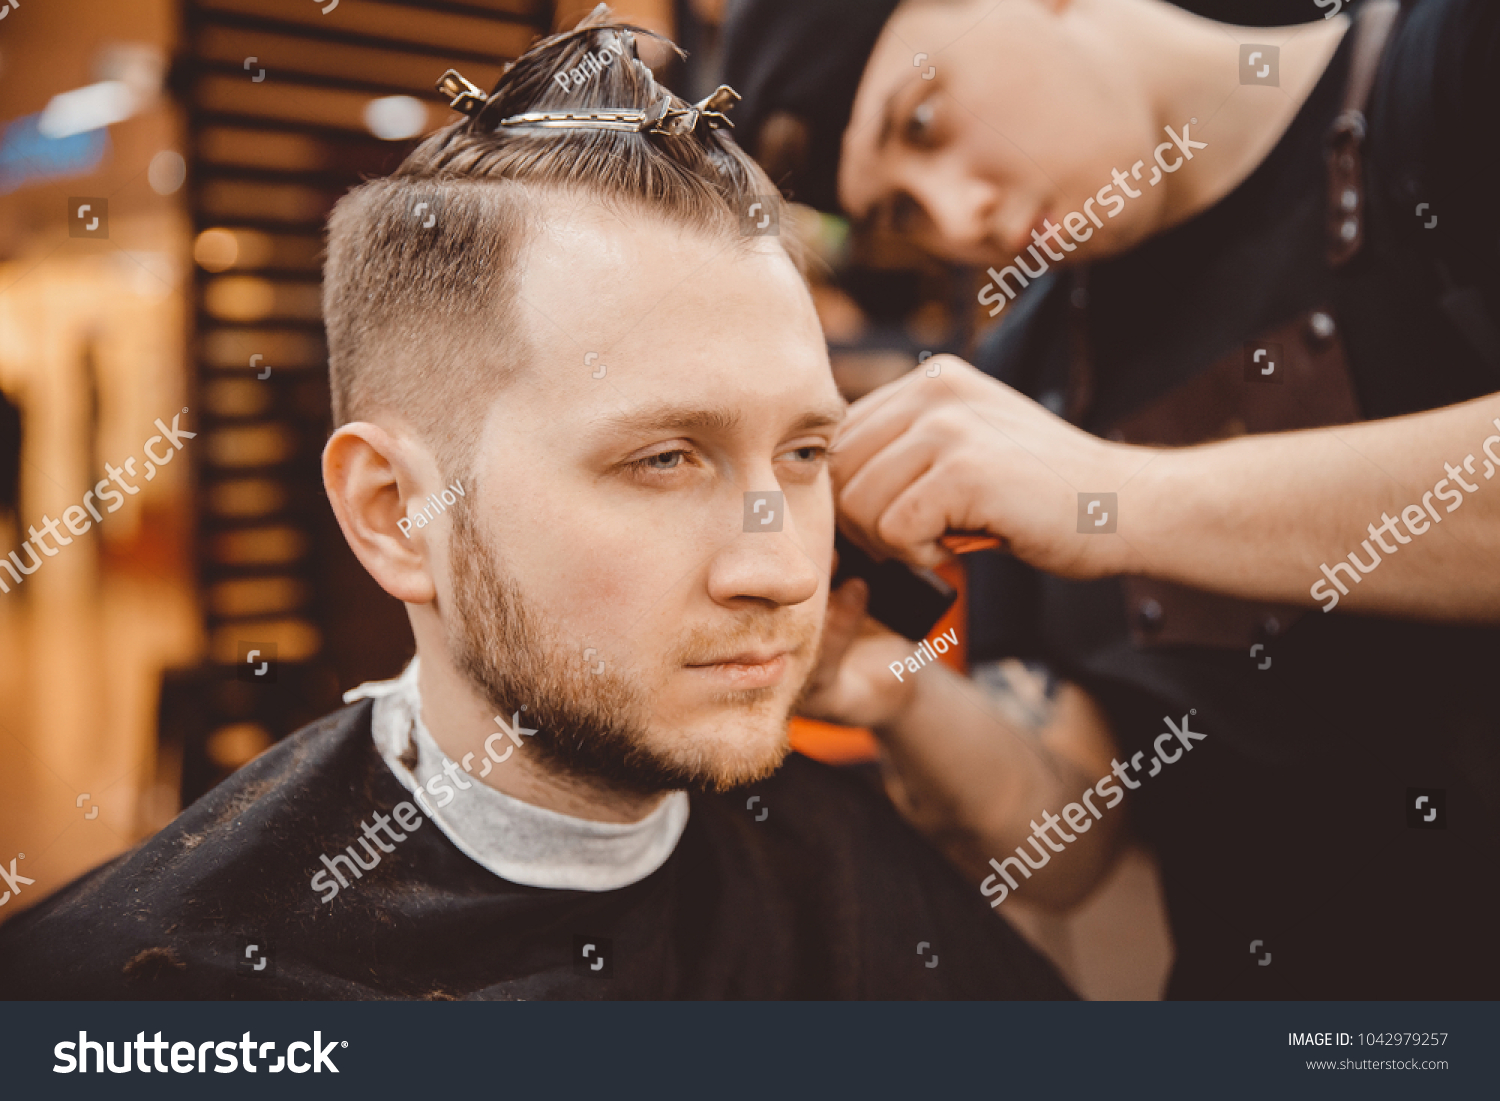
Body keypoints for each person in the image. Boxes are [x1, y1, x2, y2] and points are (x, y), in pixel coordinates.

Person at [0, 11, 1073, 1001]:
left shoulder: (855, 889)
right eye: (662, 458)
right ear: (393, 512)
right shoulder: (143, 995)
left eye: (804, 450)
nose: (786, 570)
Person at [730, 0, 1500, 996]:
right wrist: (899, 691)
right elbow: (1072, 848)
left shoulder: (1453, 70)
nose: (963, 221)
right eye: (903, 214)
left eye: (922, 121)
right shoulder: (1023, 379)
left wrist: (1114, 497)